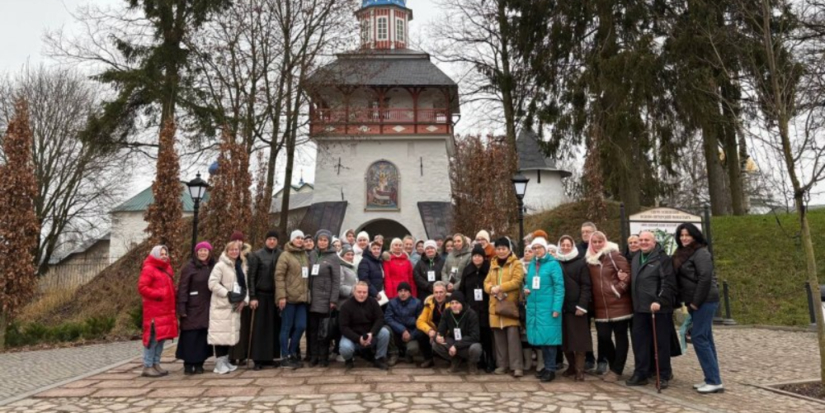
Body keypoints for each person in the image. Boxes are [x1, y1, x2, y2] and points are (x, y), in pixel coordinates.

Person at [673, 223, 723, 394]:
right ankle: (712, 377)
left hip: (704, 300)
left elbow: (705, 278)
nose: (684, 238)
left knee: (699, 337)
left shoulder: (701, 252)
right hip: (695, 300)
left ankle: (714, 380)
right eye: (681, 235)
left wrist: (695, 303)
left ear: (695, 236)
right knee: (706, 337)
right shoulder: (683, 253)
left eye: (687, 235)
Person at [627, 231, 678, 389]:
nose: (643, 242)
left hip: (657, 309)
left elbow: (668, 282)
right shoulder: (636, 258)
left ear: (654, 242)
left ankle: (663, 374)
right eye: (641, 239)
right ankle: (641, 372)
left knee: (660, 343)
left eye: (647, 240)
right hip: (640, 308)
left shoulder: (662, 259)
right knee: (640, 342)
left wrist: (659, 300)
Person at [585, 231, 632, 382]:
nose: (597, 244)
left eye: (600, 241)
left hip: (618, 304)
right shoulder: (589, 260)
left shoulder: (614, 255)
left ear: (605, 241)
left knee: (621, 337)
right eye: (594, 242)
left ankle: (617, 369)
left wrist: (617, 290)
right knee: (603, 337)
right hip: (600, 307)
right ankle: (613, 365)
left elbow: (627, 274)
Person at [523, 237, 565, 382]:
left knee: (549, 340)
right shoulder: (532, 264)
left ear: (545, 248)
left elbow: (559, 288)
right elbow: (528, 282)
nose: (536, 250)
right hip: (535, 307)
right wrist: (526, 288)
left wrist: (557, 307)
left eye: (539, 247)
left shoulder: (553, 264)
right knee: (542, 339)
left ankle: (551, 369)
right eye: (534, 248)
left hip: (548, 307)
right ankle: (546, 367)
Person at [484, 237, 525, 377]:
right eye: (498, 249)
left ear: (509, 249)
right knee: (499, 338)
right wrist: (491, 288)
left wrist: (500, 287)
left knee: (513, 338)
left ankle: (516, 366)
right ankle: (502, 364)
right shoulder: (493, 264)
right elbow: (486, 283)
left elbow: (517, 281)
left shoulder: (516, 263)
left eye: (503, 248)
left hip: (509, 305)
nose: (501, 251)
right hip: (495, 306)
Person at [207, 240, 249, 374]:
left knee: (228, 335)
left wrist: (244, 301)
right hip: (222, 305)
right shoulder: (220, 266)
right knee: (220, 335)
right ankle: (219, 363)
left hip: (234, 305)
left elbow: (245, 286)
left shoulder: (241, 266)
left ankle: (225, 361)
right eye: (231, 249)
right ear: (227, 251)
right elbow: (212, 283)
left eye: (236, 249)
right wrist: (227, 293)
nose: (234, 252)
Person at [555, 235, 592, 381]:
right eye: (562, 245)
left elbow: (586, 286)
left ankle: (579, 370)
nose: (565, 247)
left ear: (572, 246)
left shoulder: (581, 263)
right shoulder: (556, 263)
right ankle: (571, 366)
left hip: (576, 307)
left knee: (579, 341)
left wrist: (582, 305)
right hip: (561, 307)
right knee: (565, 340)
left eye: (568, 245)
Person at [138, 245, 178, 377]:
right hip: (154, 311)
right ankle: (148, 365)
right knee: (152, 339)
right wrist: (159, 294)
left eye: (166, 253)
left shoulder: (167, 269)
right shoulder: (149, 269)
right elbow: (142, 287)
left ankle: (156, 363)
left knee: (161, 339)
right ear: (155, 255)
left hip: (165, 310)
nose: (164, 256)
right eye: (161, 254)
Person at [176, 241, 215, 375]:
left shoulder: (212, 266)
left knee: (202, 336)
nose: (203, 253)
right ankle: (188, 363)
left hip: (207, 306)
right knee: (190, 336)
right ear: (196, 252)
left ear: (209, 253)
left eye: (205, 250)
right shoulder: (189, 267)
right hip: (192, 307)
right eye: (201, 250)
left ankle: (199, 363)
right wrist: (181, 307)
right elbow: (182, 288)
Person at [246, 230, 282, 370]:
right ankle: (258, 359)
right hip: (260, 295)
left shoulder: (281, 254)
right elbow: (251, 277)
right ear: (265, 240)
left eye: (274, 239)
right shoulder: (257, 255)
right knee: (260, 328)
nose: (272, 241)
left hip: (275, 296)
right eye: (269, 239)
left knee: (273, 328)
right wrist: (253, 296)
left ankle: (270, 357)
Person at [275, 230, 311, 369]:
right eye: (297, 238)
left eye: (302, 238)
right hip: (288, 298)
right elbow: (279, 276)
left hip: (302, 299)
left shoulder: (304, 255)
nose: (300, 240)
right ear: (292, 240)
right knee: (286, 327)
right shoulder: (285, 255)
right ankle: (285, 356)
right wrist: (281, 296)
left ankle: (292, 352)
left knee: (301, 326)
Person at [307, 229, 341, 367]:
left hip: (325, 299)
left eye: (325, 240)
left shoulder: (333, 257)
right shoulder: (312, 254)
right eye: (320, 240)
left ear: (329, 242)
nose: (322, 242)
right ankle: (313, 356)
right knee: (313, 330)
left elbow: (336, 280)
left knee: (324, 331)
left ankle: (323, 357)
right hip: (312, 299)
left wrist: (333, 299)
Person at [338, 282, 391, 370]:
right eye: (359, 292)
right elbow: (343, 327)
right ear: (354, 292)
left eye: (364, 292)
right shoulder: (346, 306)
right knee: (345, 348)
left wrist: (372, 333)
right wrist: (358, 338)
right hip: (353, 336)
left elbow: (380, 318)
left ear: (367, 292)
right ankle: (349, 360)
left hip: (370, 334)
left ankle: (379, 358)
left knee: (385, 332)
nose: (362, 295)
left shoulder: (373, 302)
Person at [459, 244, 494, 372]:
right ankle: (479, 360)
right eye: (475, 256)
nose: (477, 258)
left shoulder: (489, 269)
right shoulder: (467, 270)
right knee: (475, 334)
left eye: (479, 256)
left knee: (486, 335)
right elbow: (462, 288)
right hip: (471, 307)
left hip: (485, 307)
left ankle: (490, 360)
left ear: (484, 257)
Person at [434, 291, 482, 374]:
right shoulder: (447, 312)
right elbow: (441, 329)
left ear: (462, 303)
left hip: (467, 344)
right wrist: (438, 336)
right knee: (435, 344)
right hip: (453, 341)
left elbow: (475, 336)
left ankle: (471, 363)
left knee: (476, 348)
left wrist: (456, 346)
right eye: (452, 303)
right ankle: (455, 360)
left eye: (457, 303)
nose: (454, 305)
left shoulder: (471, 314)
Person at [384, 282, 428, 364]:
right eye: (400, 291)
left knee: (413, 349)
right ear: (398, 293)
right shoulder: (392, 303)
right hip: (396, 332)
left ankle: (408, 354)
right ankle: (394, 353)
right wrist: (403, 330)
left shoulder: (417, 303)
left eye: (405, 291)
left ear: (410, 292)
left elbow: (421, 321)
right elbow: (388, 318)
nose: (403, 293)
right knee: (385, 329)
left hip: (411, 332)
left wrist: (411, 335)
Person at [416, 281, 451, 368]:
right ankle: (428, 359)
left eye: (441, 292)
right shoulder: (429, 303)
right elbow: (420, 321)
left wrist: (441, 334)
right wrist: (429, 331)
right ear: (433, 293)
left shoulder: (452, 303)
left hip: (448, 332)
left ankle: (451, 359)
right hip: (434, 331)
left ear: (445, 292)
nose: (438, 295)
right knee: (420, 333)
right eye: (436, 292)